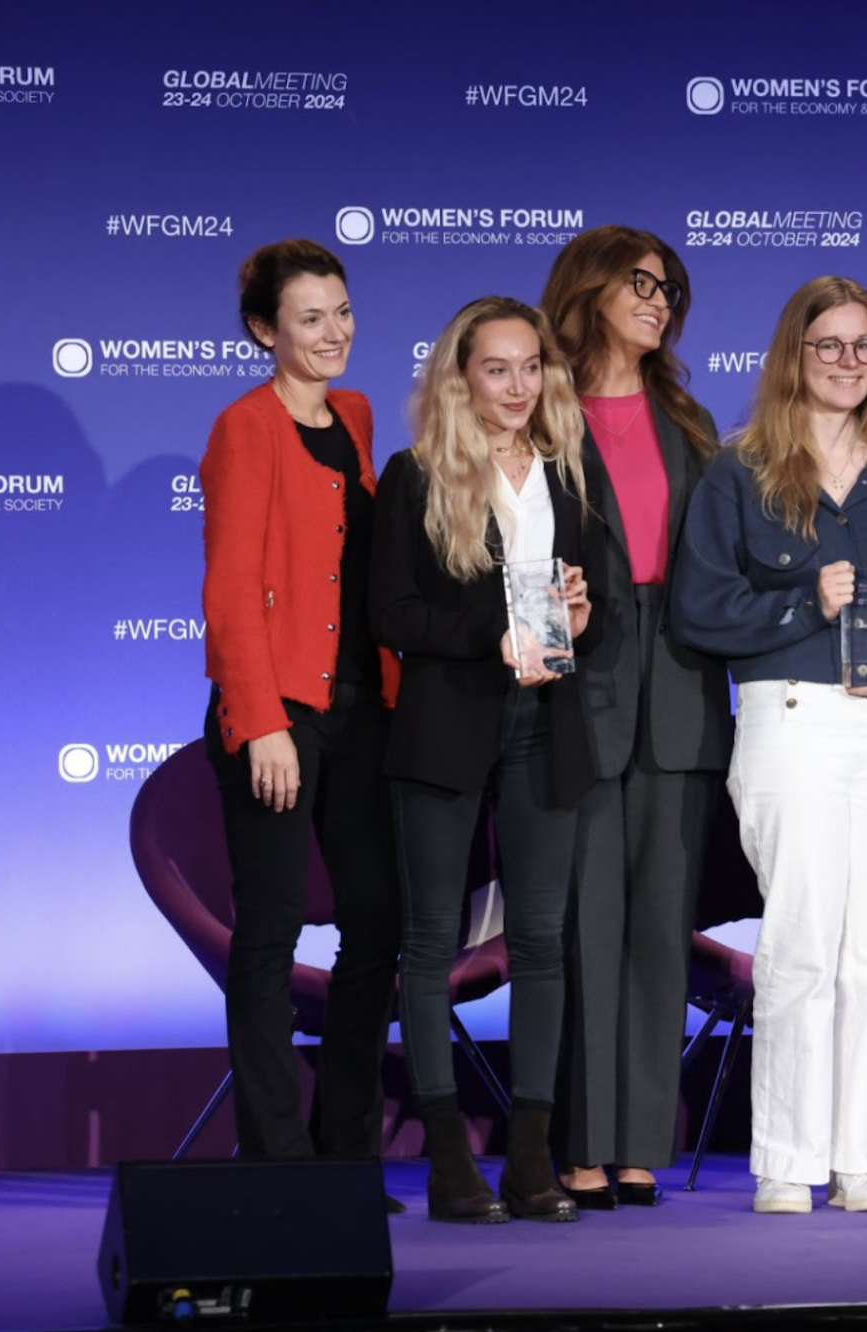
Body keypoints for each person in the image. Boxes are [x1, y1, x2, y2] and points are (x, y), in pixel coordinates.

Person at [671, 276, 867, 1215]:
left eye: (862, 346)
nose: (847, 362)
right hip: (792, 721)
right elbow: (699, 608)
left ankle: (860, 1158)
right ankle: (784, 1162)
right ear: (792, 358)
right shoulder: (742, 470)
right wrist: (807, 599)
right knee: (801, 945)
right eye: (828, 345)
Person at [371, 296, 609, 1223]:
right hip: (448, 726)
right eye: (497, 368)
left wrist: (580, 617)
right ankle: (445, 1163)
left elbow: (595, 602)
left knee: (543, 943)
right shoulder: (418, 475)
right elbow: (392, 617)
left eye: (531, 367)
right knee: (430, 944)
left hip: (548, 724)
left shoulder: (568, 475)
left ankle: (529, 1157)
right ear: (461, 377)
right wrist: (490, 635)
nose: (517, 387)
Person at [539, 226, 732, 1209]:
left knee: (661, 932)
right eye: (641, 284)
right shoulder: (539, 413)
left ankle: (638, 1143)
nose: (659, 302)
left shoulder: (689, 422)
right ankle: (579, 1141)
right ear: (591, 291)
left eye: (670, 289)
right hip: (581, 694)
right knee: (585, 933)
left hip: (684, 699)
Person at [198, 239, 401, 1172]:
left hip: (361, 711)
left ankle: (346, 1152)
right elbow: (233, 589)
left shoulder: (356, 414)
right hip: (276, 712)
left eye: (343, 312)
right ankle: (278, 1163)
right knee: (272, 930)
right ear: (263, 331)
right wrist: (262, 722)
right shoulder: (245, 426)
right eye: (309, 318)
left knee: (377, 920)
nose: (334, 333)